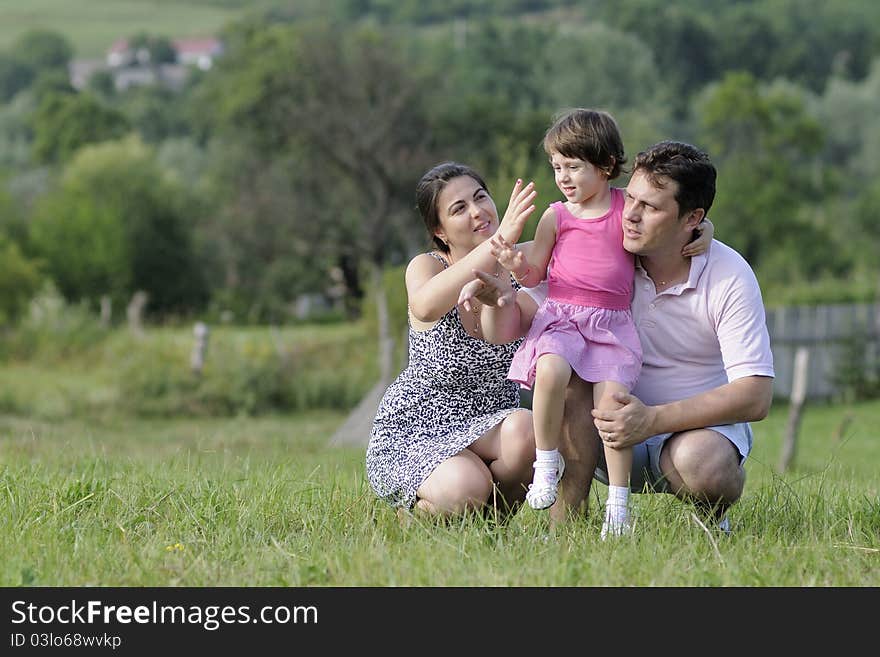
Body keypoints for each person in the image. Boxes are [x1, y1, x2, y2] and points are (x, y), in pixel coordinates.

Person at [461, 140, 773, 533]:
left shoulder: (728, 274)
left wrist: (652, 420)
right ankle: (567, 529)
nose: (631, 216)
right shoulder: (597, 250)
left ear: (693, 218)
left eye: (652, 208)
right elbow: (519, 322)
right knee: (560, 362)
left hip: (684, 438)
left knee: (703, 463)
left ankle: (712, 522)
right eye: (632, 201)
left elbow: (756, 396)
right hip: (600, 429)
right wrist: (499, 299)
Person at [483, 109, 711, 539]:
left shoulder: (627, 206)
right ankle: (546, 463)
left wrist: (707, 229)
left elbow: (664, 221)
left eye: (573, 166)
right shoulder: (556, 215)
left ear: (605, 166)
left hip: (610, 326)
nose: (563, 177)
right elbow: (536, 274)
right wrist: (517, 265)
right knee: (550, 370)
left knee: (613, 410)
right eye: (556, 167)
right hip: (563, 318)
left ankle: (618, 506)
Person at [366, 162, 547, 519]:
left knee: (530, 428)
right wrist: (501, 241)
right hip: (421, 426)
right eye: (459, 208)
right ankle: (418, 513)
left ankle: (492, 526)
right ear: (440, 230)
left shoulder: (522, 261)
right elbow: (425, 304)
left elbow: (596, 233)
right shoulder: (427, 266)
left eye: (481, 197)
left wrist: (691, 236)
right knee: (467, 488)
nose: (478, 211)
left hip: (496, 418)